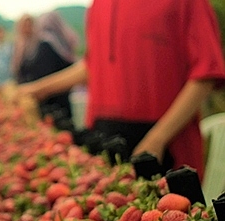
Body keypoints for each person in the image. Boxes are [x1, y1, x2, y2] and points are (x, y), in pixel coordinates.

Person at [18, 0, 225, 179]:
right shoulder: (99, 4)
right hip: (105, 138)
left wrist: (157, 139)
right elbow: (94, 66)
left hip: (165, 143)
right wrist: (37, 90)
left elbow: (205, 73)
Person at [13, 11, 79, 122]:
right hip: (43, 93)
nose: (27, 28)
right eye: (24, 25)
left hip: (52, 97)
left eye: (30, 24)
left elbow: (47, 71)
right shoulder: (22, 46)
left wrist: (35, 88)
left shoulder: (44, 44)